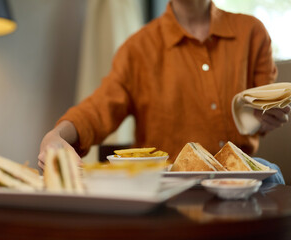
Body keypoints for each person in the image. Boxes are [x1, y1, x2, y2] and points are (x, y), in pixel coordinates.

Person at [38, 0, 290, 184]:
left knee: (272, 174)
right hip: (164, 183)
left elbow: (261, 109)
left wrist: (260, 119)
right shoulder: (137, 48)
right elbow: (97, 109)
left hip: (236, 181)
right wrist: (56, 135)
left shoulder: (252, 33)